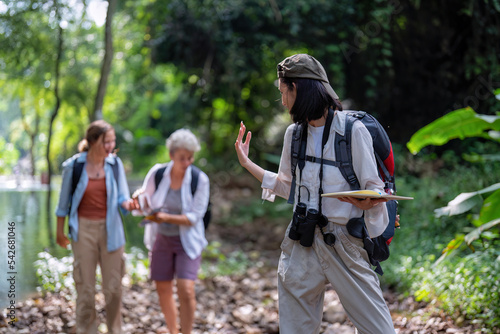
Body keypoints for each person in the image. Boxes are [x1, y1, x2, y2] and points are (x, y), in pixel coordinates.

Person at [234, 54, 396, 334]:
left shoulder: (352, 130)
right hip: (302, 240)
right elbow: (287, 187)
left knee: (378, 330)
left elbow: (375, 187)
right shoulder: (294, 134)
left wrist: (367, 201)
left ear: (297, 88)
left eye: (283, 92)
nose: (282, 101)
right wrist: (248, 164)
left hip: (346, 241)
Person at [55, 120, 136, 334]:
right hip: (83, 231)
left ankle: (114, 330)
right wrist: (59, 232)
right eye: (105, 142)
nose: (110, 146)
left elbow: (122, 197)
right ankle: (86, 330)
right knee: (86, 289)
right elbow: (63, 205)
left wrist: (129, 204)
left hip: (112, 230)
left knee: (114, 288)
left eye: (113, 142)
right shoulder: (74, 166)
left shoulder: (115, 164)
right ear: (92, 142)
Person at [136, 128, 209, 334]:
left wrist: (166, 217)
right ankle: (172, 330)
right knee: (163, 288)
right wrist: (138, 199)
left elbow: (195, 217)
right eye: (182, 158)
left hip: (187, 242)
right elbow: (145, 203)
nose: (187, 163)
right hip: (162, 239)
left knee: (186, 289)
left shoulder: (199, 179)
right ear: (171, 155)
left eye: (190, 158)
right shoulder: (158, 174)